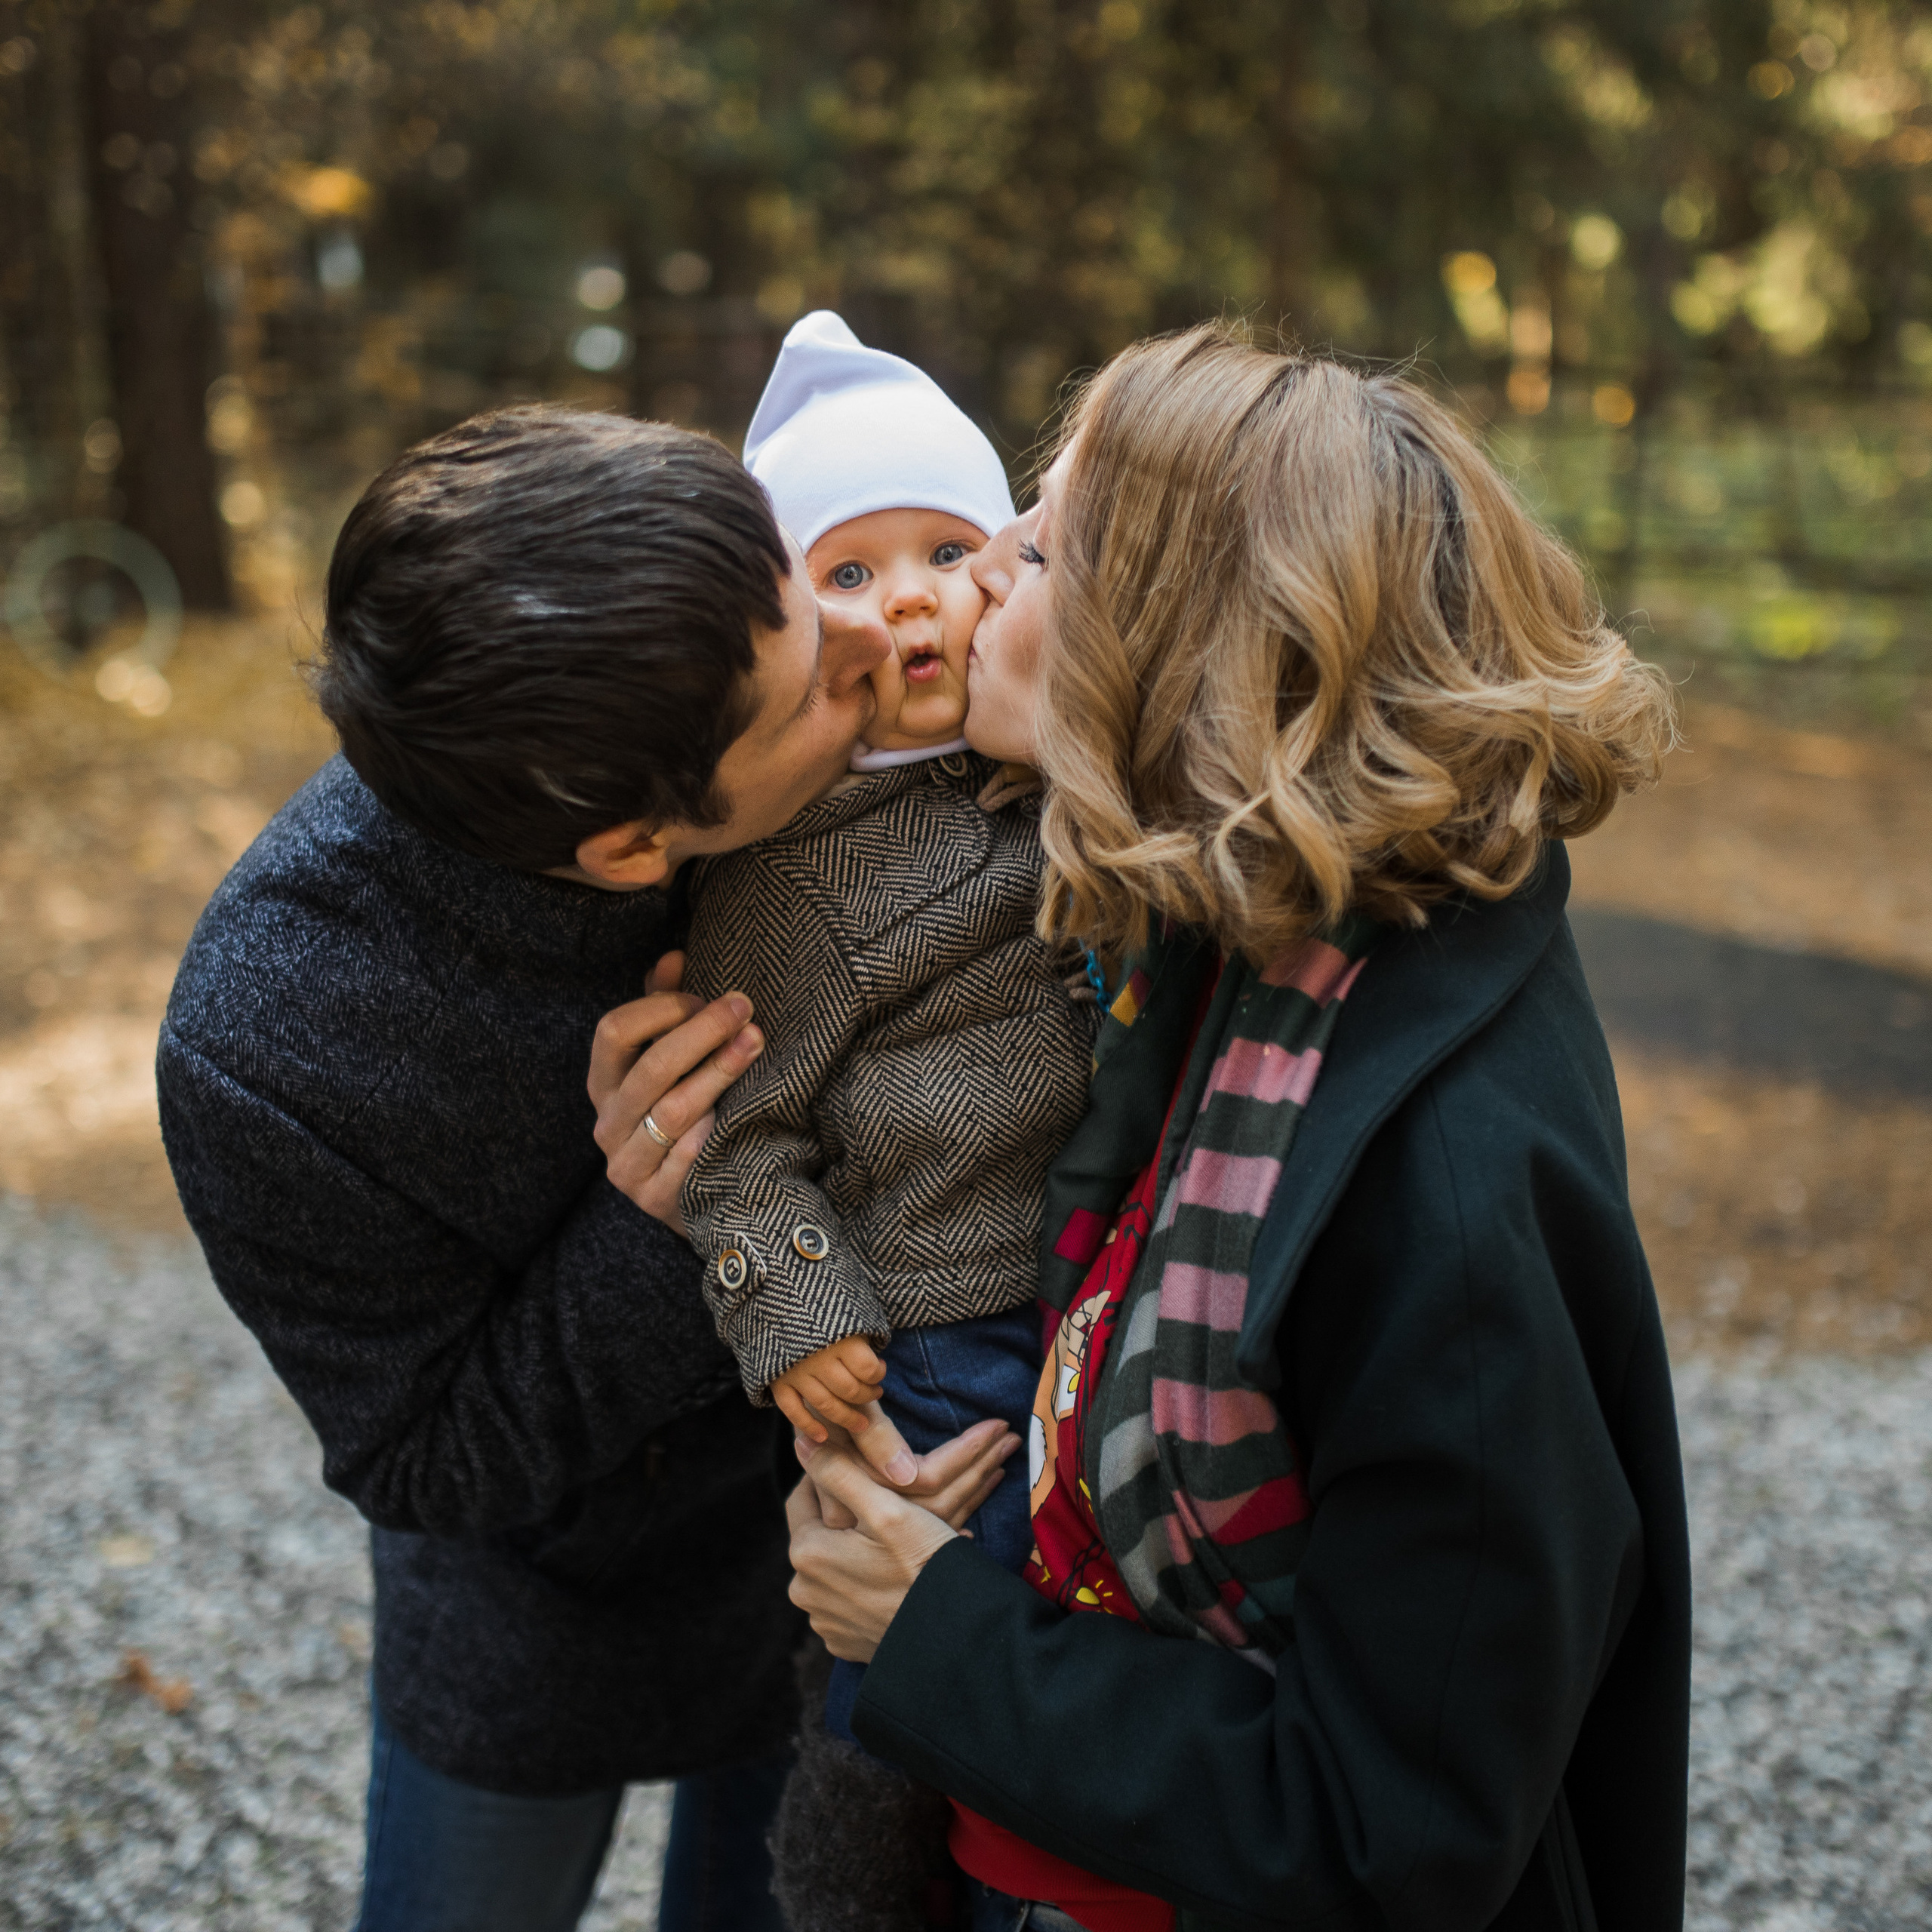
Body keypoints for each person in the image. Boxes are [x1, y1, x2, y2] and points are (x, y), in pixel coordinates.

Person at [777, 326, 1693, 1932]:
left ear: (1181, 637)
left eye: (1040, 542)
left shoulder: (1445, 1189)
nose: (978, 569)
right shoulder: (1234, 945)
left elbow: (1392, 1824)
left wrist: (933, 1633)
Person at [157, 406, 1014, 1932]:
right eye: (804, 665)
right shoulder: (270, 1036)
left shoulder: (799, 747)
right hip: (533, 1614)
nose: (856, 623)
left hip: (817, 1555)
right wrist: (656, 1232)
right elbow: (415, 1457)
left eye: (795, 564)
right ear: (633, 847)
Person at [673, 312, 1098, 1929]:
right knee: (905, 1657)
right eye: (847, 574)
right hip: (936, 1326)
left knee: (1053, 1648)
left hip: (1085, 1296)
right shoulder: (797, 873)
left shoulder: (1052, 773)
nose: (907, 596)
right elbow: (739, 1133)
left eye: (942, 548)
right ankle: (853, 1889)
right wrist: (793, 1305)